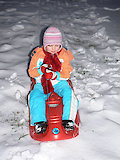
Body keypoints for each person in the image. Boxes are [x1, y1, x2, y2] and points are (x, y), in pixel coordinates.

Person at [28, 26, 79, 134]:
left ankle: (68, 119)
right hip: (42, 83)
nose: (53, 48)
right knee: (35, 96)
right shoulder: (38, 55)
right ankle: (39, 122)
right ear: (45, 45)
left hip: (59, 82)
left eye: (56, 45)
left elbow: (66, 73)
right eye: (50, 45)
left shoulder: (63, 55)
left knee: (69, 94)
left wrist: (55, 75)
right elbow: (31, 72)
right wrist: (41, 70)